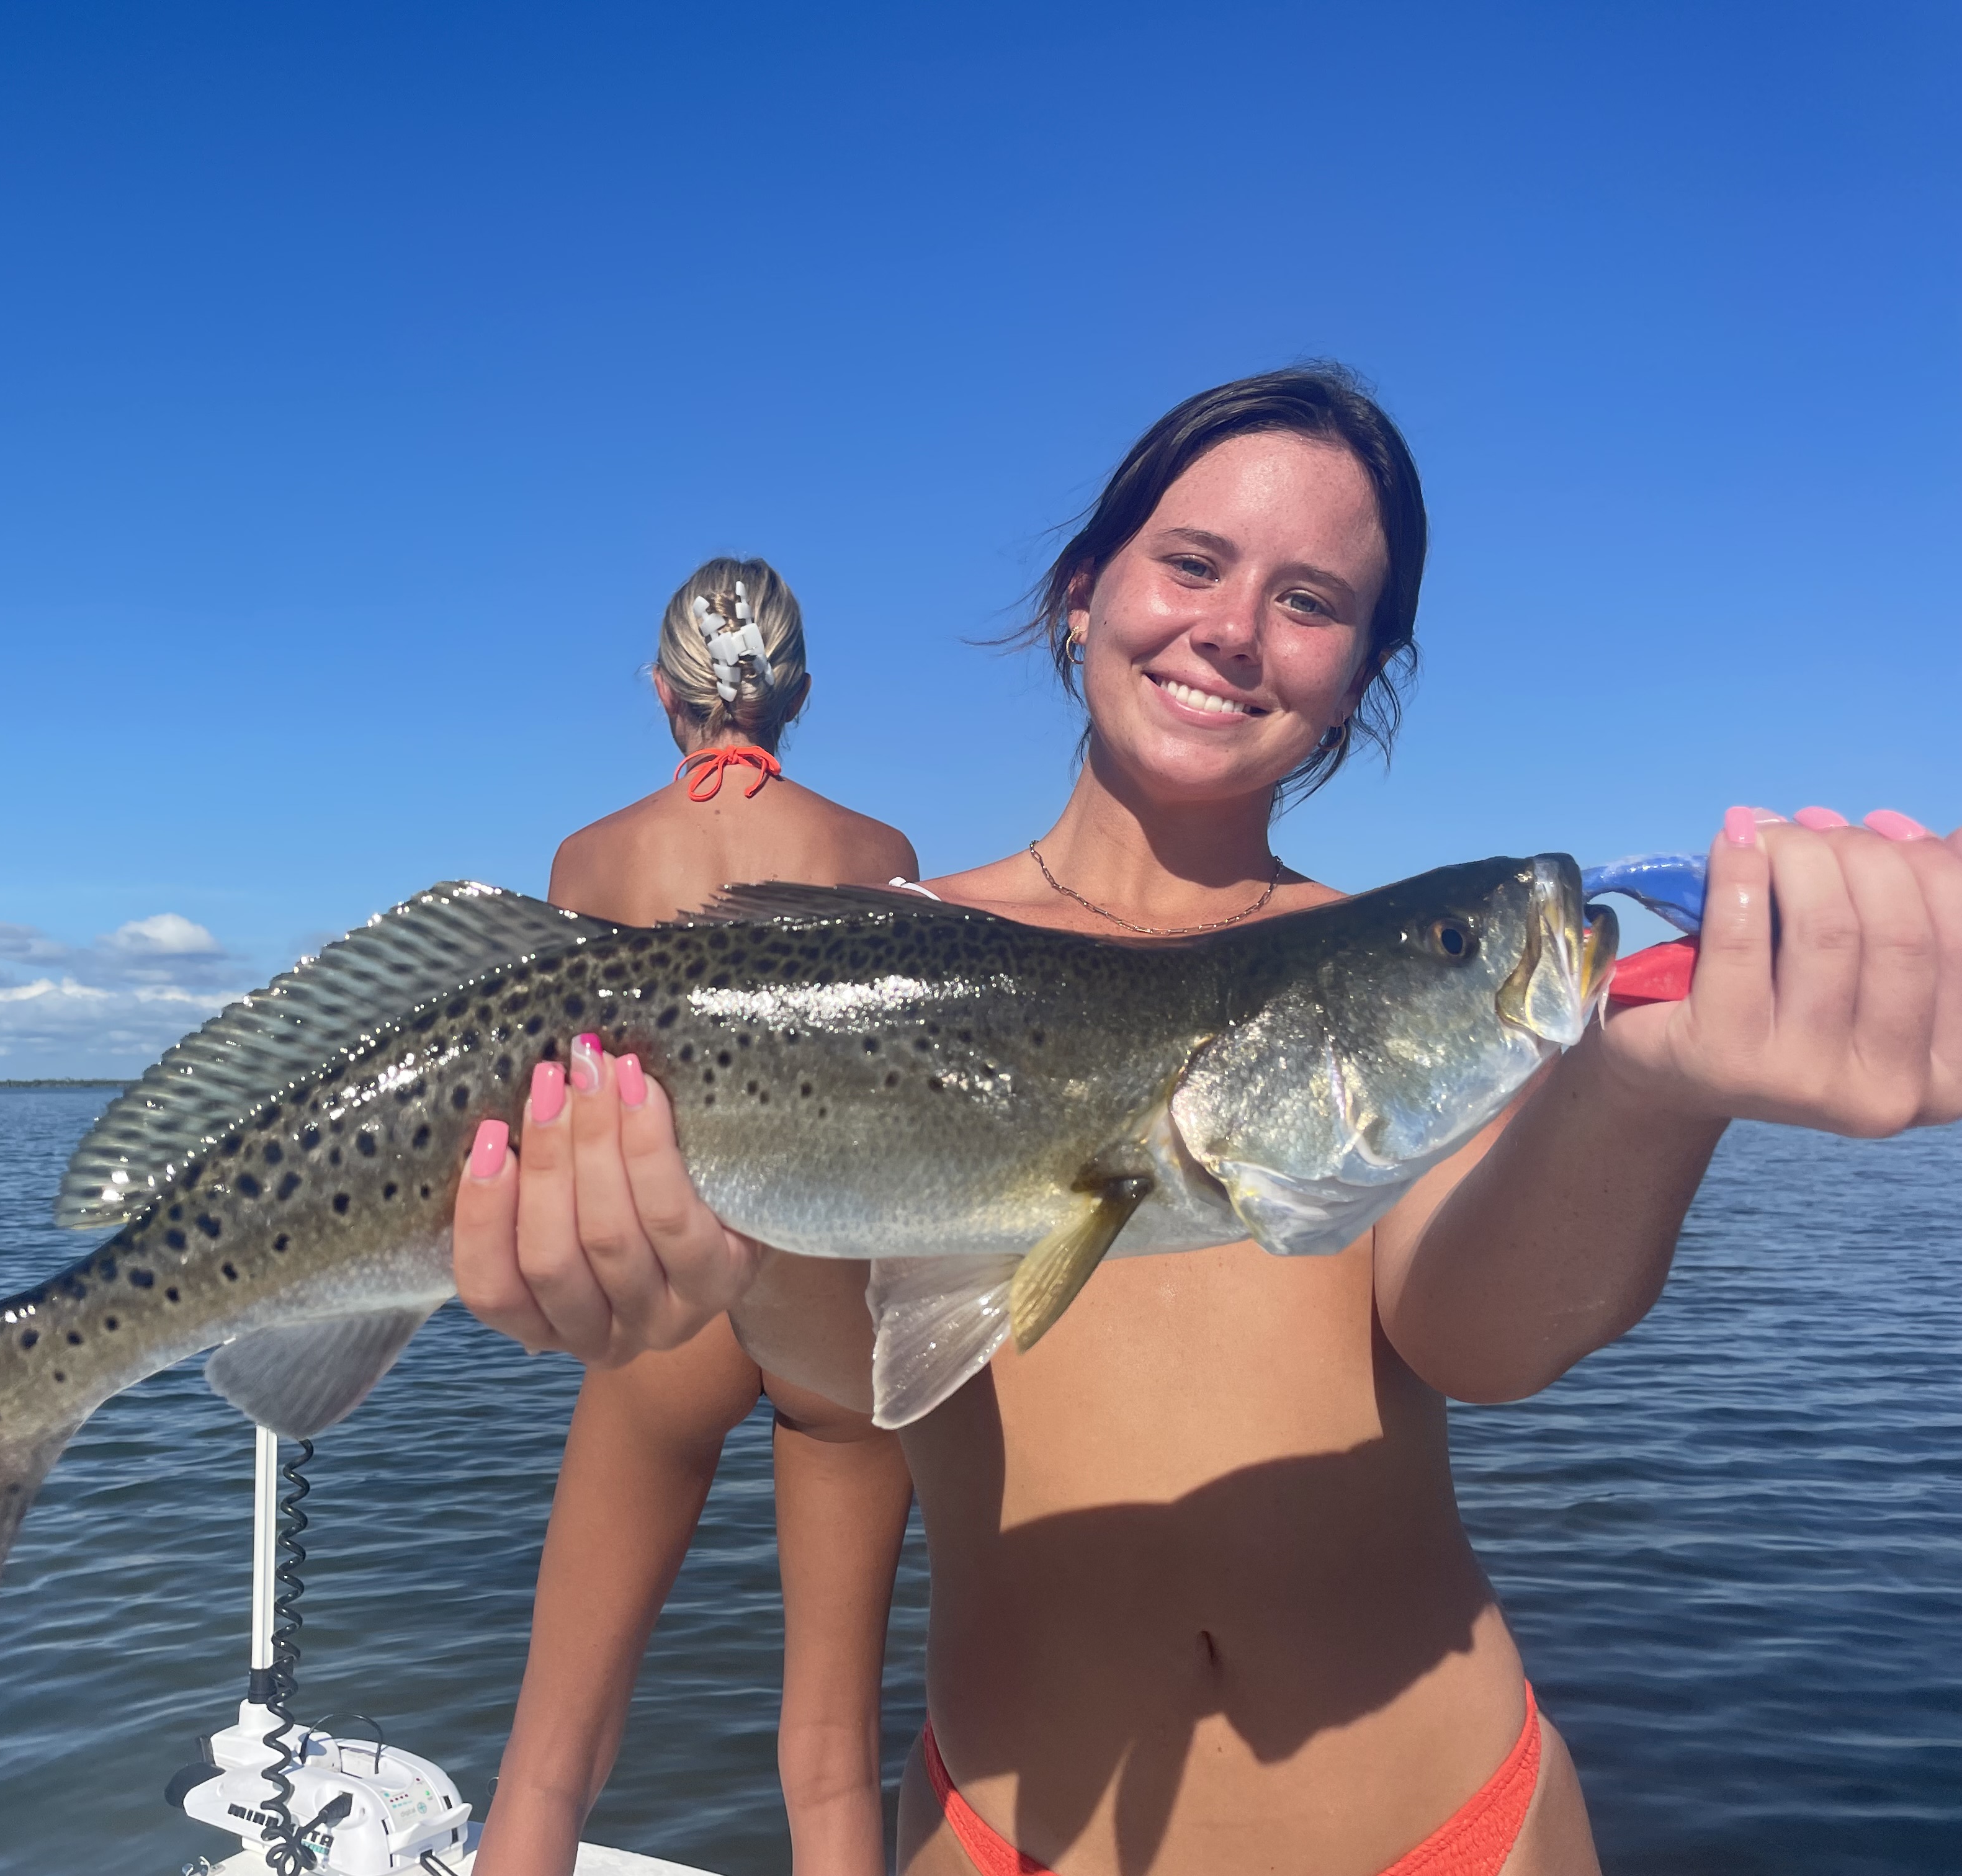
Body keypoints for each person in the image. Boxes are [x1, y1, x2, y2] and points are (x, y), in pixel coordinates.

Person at [449, 367, 1962, 1876]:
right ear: (1082, 593)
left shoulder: (1395, 975)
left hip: (1453, 1830)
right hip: (1007, 1839)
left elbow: (1482, 1335)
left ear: (1362, 676)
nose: (1235, 629)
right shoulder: (884, 953)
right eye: (1193, 563)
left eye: (1312, 601)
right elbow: (860, 1386)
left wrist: (1658, 1084)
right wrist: (732, 1254)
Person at [475, 557, 924, 1876]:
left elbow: (552, 1091)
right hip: (838, 1294)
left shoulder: (592, 858)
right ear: (800, 698)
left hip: (667, 1285)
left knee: (551, 1758)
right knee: (833, 1762)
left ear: (661, 693)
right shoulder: (878, 853)